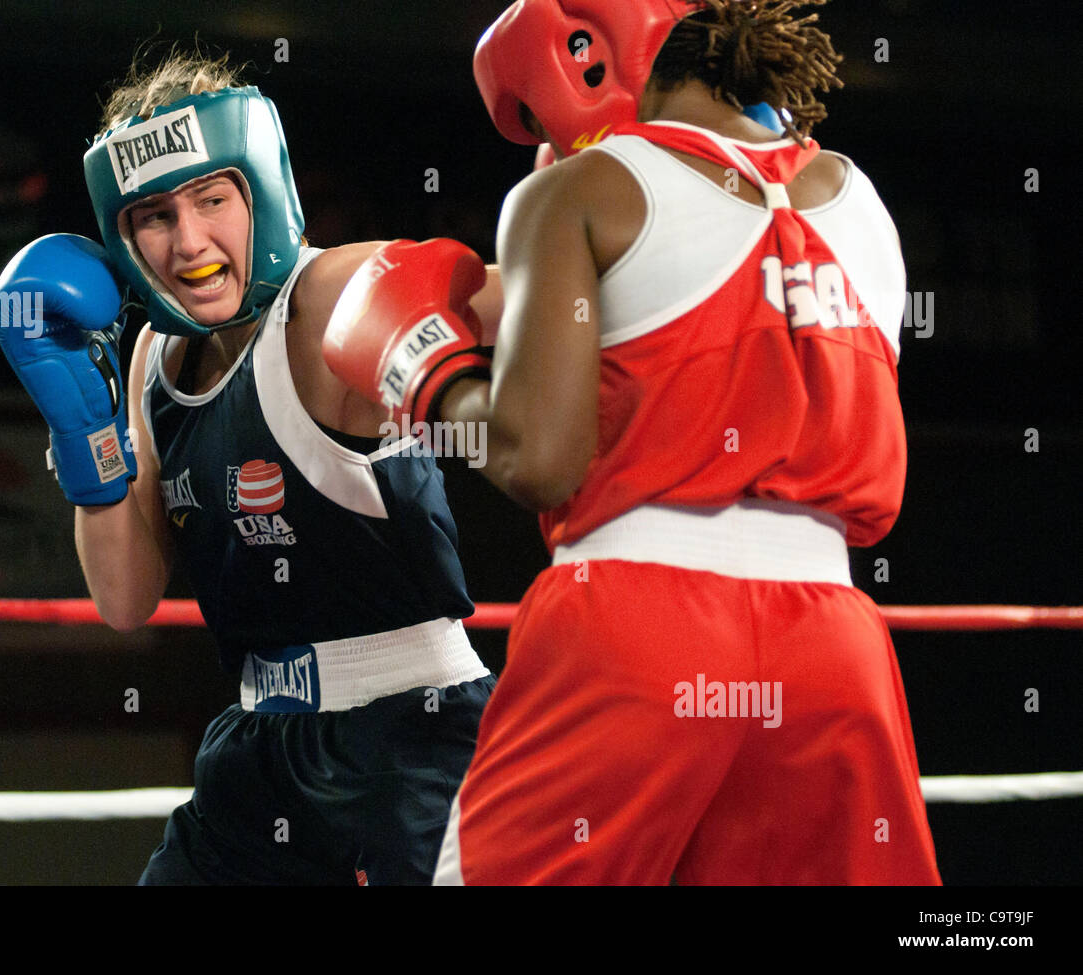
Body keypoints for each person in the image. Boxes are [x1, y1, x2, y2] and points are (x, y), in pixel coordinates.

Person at [323, 0, 942, 884]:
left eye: (538, 113)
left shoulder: (580, 191)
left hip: (639, 623)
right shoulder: (858, 198)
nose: (547, 141)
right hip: (834, 643)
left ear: (588, 58)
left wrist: (423, 373)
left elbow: (538, 459)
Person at [0, 53, 499, 885]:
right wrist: (78, 421)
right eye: (154, 215)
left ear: (260, 189)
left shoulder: (329, 296)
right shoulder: (154, 353)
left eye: (211, 199)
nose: (188, 241)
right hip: (258, 746)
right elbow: (124, 600)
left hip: (410, 741)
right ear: (122, 237)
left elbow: (517, 300)